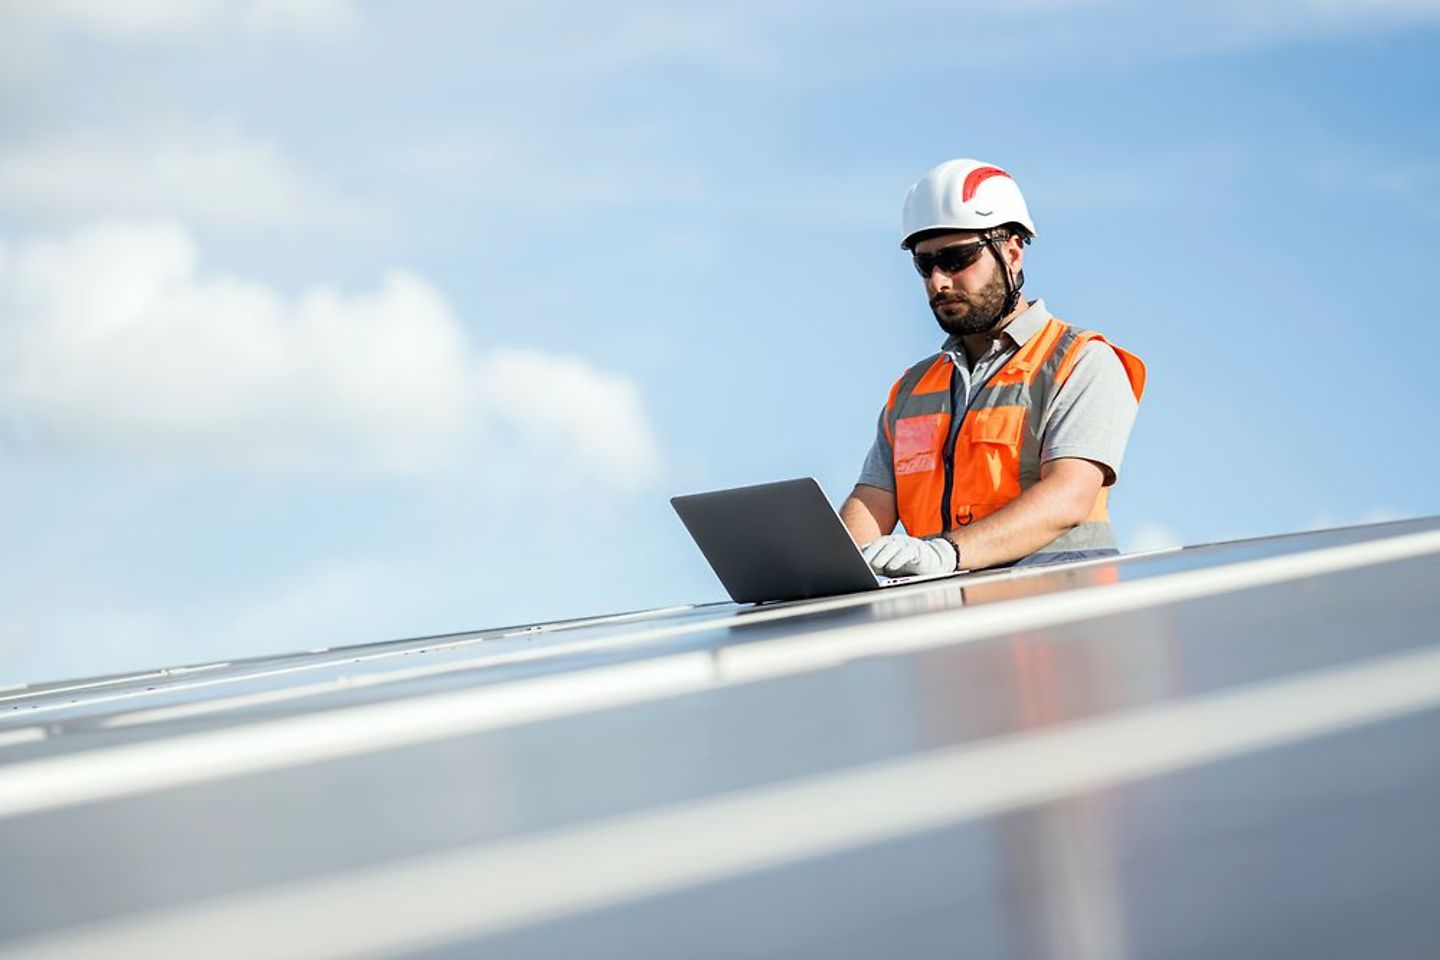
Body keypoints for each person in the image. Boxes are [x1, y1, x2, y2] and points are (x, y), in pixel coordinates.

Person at [840, 159, 1146, 576]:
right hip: (948, 622)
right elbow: (872, 501)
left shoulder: (1082, 361)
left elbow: (1068, 497)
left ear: (1012, 252)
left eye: (956, 259)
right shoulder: (912, 389)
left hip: (1064, 623)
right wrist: (833, 568)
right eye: (924, 265)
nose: (938, 282)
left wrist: (945, 553)